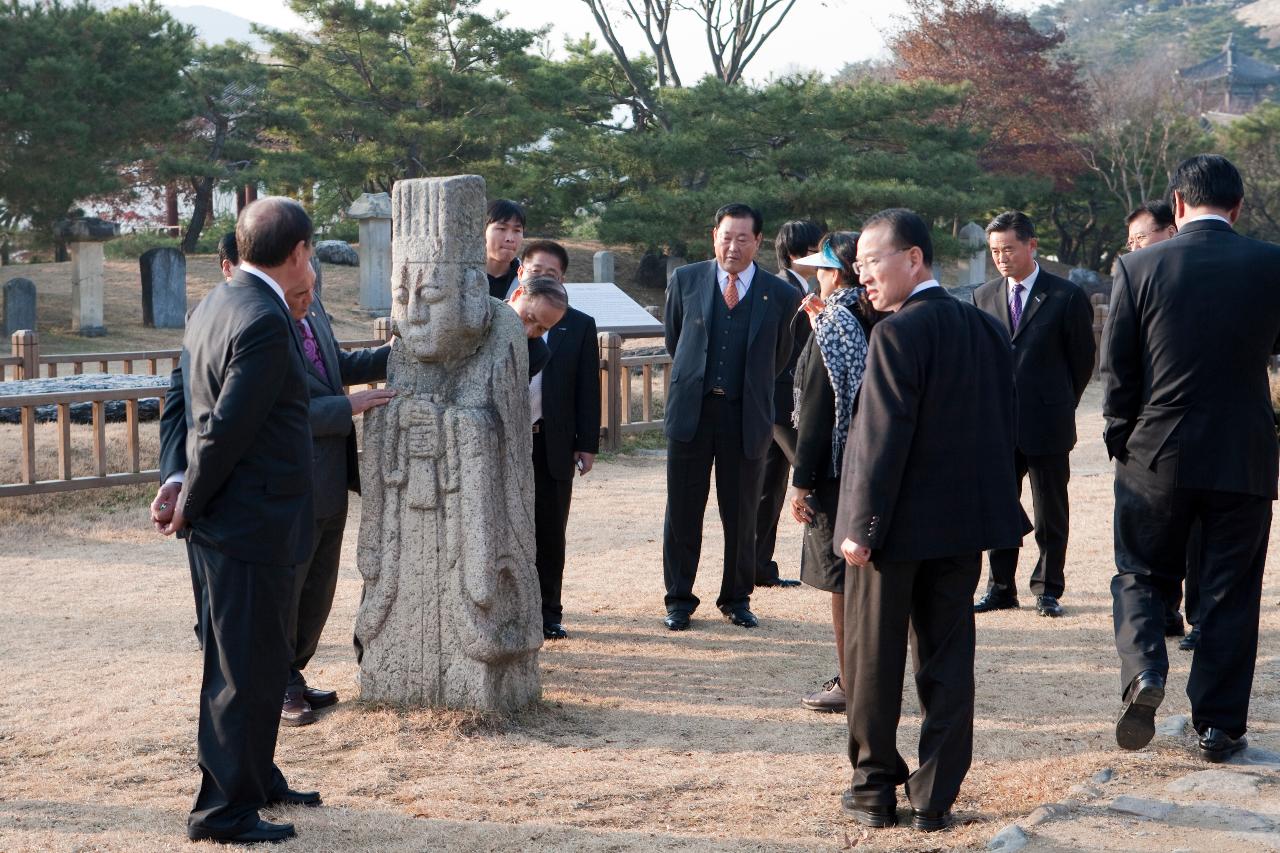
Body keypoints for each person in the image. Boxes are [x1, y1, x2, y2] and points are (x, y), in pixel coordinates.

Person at [835, 209, 1026, 832]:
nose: (862, 275)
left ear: (913, 259)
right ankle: (935, 795)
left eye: (871, 261)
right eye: (858, 265)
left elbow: (878, 440)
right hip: (961, 528)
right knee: (948, 661)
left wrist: (859, 529)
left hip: (892, 532)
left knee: (873, 659)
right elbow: (1004, 430)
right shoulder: (986, 329)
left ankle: (873, 788)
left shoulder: (896, 334)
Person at [1102, 154, 1280, 763]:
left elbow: (1119, 371)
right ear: (1237, 207)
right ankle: (1220, 726)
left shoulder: (1139, 265)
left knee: (1140, 572)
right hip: (1245, 454)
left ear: (1176, 205)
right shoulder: (1271, 263)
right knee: (1232, 590)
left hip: (1158, 449)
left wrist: (1121, 436)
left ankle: (1146, 669)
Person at [162, 198, 323, 845]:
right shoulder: (262, 316)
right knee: (241, 670)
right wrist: (188, 502)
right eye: (310, 251)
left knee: (258, 662)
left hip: (238, 519)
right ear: (298, 252)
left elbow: (187, 404)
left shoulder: (217, 302)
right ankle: (223, 811)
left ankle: (258, 778)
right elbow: (225, 428)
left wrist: (178, 484)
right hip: (245, 522)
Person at [661, 203, 803, 631]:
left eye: (743, 238)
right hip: (693, 411)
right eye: (726, 236)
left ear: (758, 242)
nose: (733, 246)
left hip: (746, 414)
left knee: (741, 512)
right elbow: (676, 339)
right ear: (714, 236)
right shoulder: (686, 280)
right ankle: (679, 600)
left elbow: (781, 356)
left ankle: (736, 598)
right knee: (683, 509)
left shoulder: (780, 295)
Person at [972, 211, 1095, 618]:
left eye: (1008, 248)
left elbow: (1081, 363)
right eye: (994, 251)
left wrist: (1058, 402)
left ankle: (1047, 588)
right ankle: (1000, 588)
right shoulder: (983, 295)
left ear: (1031, 245)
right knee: (1000, 508)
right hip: (996, 424)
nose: (1001, 257)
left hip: (1048, 422)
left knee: (1050, 512)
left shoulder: (1065, 296)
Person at [786, 232, 880, 713]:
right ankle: (858, 678)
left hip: (834, 471)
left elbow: (821, 408)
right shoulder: (867, 313)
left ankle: (850, 683)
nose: (815, 278)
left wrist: (801, 481)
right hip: (861, 465)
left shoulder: (835, 321)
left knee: (841, 581)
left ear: (836, 273)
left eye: (821, 269)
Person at [153, 232, 240, 647]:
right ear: (228, 268)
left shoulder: (290, 312)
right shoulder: (202, 316)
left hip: (254, 495)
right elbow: (178, 399)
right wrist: (173, 477)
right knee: (212, 611)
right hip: (203, 488)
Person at [514, 241, 602, 639]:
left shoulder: (579, 324)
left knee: (551, 531)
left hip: (553, 440)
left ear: (562, 279)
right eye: (535, 270)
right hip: (510, 443)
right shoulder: (501, 319)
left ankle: (550, 611)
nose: (542, 277)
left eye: (551, 273)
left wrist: (587, 442)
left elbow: (588, 386)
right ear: (521, 274)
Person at [1124, 199, 1200, 652]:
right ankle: (1167, 611)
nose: (1133, 247)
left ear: (1171, 230)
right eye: (1130, 241)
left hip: (1188, 431)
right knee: (1158, 535)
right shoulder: (1136, 278)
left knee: (1196, 531)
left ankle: (1198, 617)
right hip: (1149, 434)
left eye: (1141, 238)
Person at [753, 220, 825, 590]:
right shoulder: (780, 290)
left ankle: (759, 566)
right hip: (780, 403)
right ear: (797, 255)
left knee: (771, 486)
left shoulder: (804, 289)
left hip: (790, 401)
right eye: (818, 249)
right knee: (809, 474)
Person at [505, 275, 568, 378]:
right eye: (530, 318)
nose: (528, 332)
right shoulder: (482, 314)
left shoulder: (537, 355)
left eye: (541, 329)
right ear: (517, 294)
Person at [486, 199, 525, 299]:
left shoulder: (528, 283)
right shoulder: (461, 278)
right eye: (502, 229)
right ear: (483, 231)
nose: (510, 238)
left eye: (517, 230)